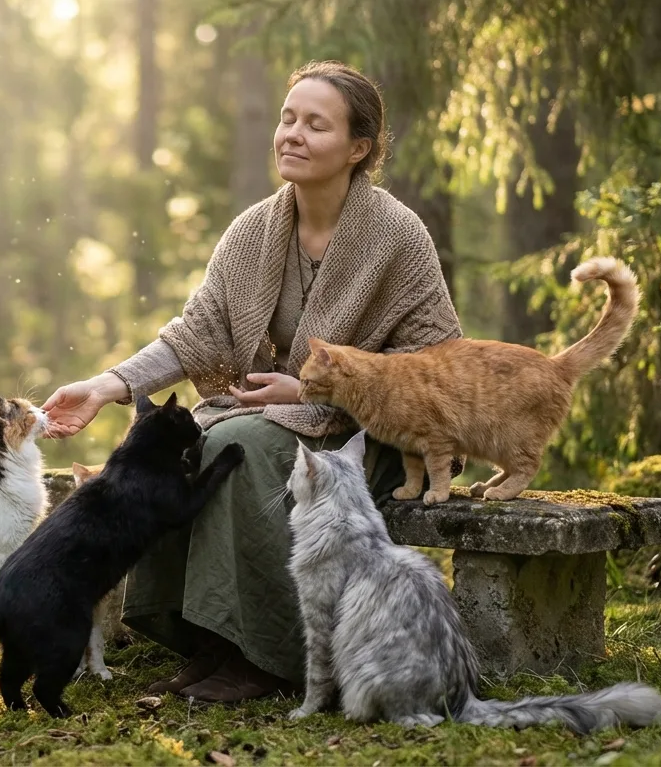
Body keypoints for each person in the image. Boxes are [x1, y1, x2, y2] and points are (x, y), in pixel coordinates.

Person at [41, 60, 462, 702]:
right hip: (278, 421)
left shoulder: (398, 237)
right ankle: (208, 642)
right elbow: (196, 332)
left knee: (240, 448)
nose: (291, 133)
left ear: (359, 148)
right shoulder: (254, 231)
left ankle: (263, 656)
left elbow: (435, 371)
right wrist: (107, 386)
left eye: (315, 124)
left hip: (367, 441)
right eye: (287, 117)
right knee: (178, 448)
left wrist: (317, 393)